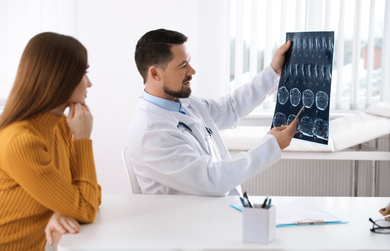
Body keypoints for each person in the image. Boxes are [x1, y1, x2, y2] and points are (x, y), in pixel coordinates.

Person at [127, 28, 297, 196]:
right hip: (187, 220)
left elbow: (231, 108)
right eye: (183, 65)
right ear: (155, 73)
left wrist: (273, 71)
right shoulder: (151, 133)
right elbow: (212, 179)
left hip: (215, 211)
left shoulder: (185, 103)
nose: (192, 71)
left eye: (189, 61)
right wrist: (270, 145)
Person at [0, 32, 102, 250]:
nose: (90, 83)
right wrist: (83, 139)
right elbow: (87, 207)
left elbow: (91, 195)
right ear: (61, 78)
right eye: (84, 73)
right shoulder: (21, 141)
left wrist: (61, 208)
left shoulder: (61, 126)